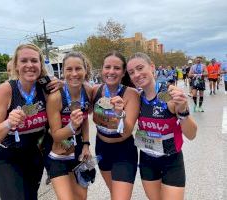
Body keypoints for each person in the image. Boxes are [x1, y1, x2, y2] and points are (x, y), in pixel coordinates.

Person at [0, 43, 61, 200]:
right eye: (24, 61)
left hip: (34, 154)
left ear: (40, 64)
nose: (29, 65)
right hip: (8, 155)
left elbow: (82, 93)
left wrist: (64, 85)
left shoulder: (46, 87)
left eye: (34, 60)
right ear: (16, 66)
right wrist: (8, 123)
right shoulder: (7, 90)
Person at [126, 52, 197, 200]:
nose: (136, 74)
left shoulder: (170, 94)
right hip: (147, 160)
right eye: (131, 72)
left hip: (171, 160)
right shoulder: (137, 98)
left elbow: (191, 135)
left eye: (140, 68)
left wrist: (183, 111)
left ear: (152, 67)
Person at [92, 51, 139, 199]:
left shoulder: (131, 94)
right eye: (107, 67)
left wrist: (119, 114)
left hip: (123, 151)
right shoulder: (95, 91)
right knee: (115, 193)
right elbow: (74, 96)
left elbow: (126, 131)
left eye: (117, 68)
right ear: (102, 69)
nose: (111, 71)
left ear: (123, 72)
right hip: (101, 149)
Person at [46, 51, 92, 200]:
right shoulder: (56, 97)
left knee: (81, 198)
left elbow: (84, 119)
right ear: (63, 71)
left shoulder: (88, 91)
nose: (74, 73)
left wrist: (86, 144)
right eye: (69, 69)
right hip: (59, 154)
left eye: (78, 68)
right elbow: (56, 134)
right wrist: (71, 126)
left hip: (79, 152)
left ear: (85, 70)